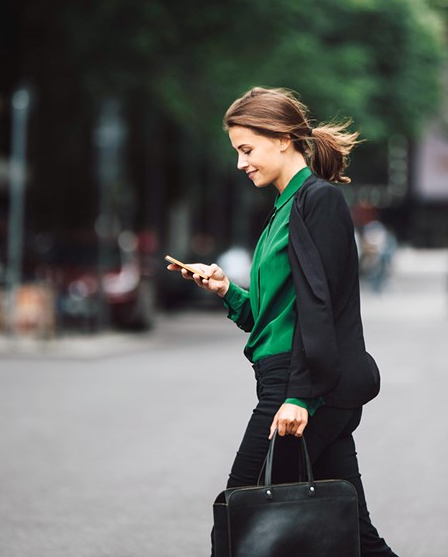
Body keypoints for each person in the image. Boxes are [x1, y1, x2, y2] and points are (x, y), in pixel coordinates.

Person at [167, 87, 398, 556]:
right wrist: (227, 291)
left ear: (280, 138)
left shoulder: (319, 201)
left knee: (239, 516)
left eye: (246, 150)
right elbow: (276, 317)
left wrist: (298, 395)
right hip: (297, 381)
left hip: (301, 387)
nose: (240, 163)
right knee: (356, 536)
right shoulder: (283, 210)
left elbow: (323, 310)